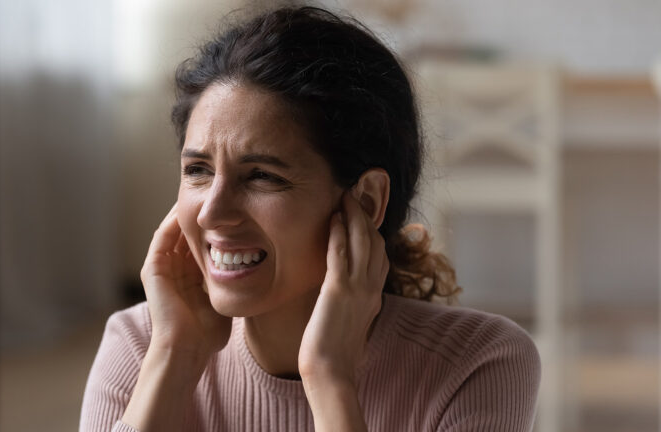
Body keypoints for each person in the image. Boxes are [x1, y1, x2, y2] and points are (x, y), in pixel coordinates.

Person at [80, 5, 540, 432]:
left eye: (261, 176)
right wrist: (173, 359)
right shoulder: (142, 344)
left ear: (366, 200)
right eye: (198, 171)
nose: (212, 213)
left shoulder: (477, 363)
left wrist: (329, 378)